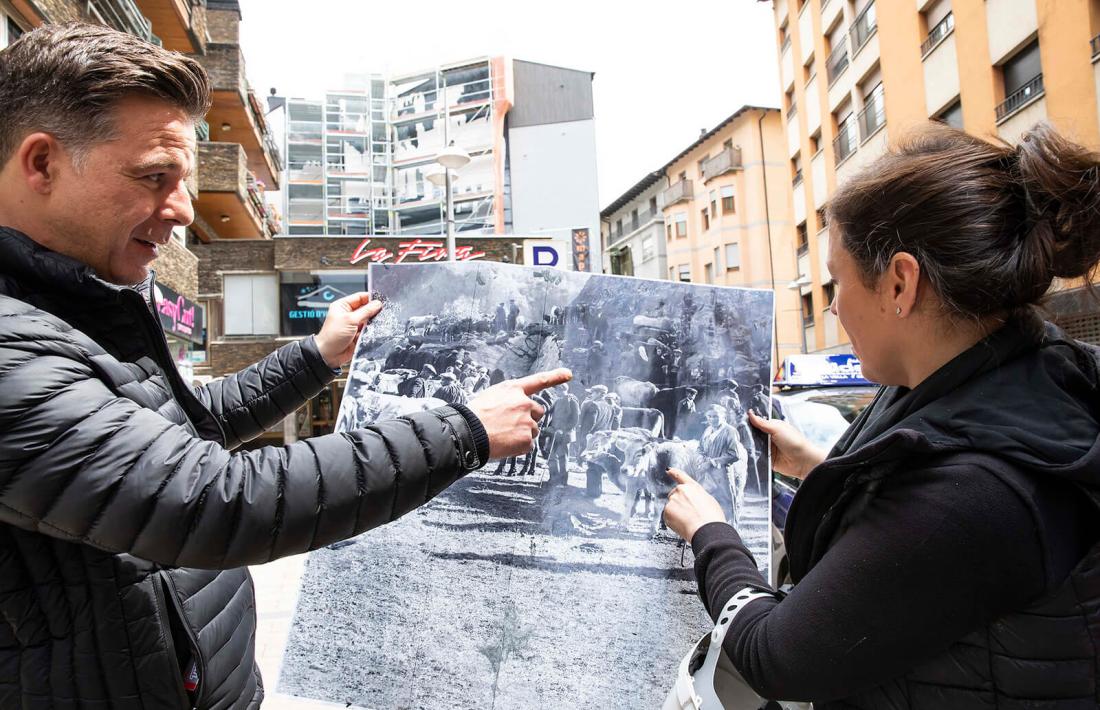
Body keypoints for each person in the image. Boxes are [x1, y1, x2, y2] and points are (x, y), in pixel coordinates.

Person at [0, 24, 570, 709]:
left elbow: (193, 423)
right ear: (41, 164)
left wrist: (318, 355)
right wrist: (463, 431)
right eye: (156, 177)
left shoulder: (81, 302)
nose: (181, 210)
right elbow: (209, 500)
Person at [662, 122, 1100, 708]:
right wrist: (819, 467)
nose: (835, 304)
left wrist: (711, 533)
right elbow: (915, 513)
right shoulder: (1001, 376)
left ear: (900, 282)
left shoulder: (976, 493)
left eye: (837, 279)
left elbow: (778, 657)